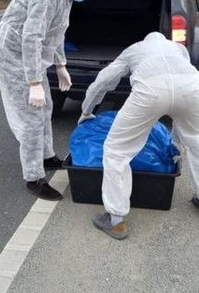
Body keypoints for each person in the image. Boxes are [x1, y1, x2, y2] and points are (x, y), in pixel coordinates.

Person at [0, 0, 103, 201]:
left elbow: (56, 33)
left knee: (47, 105)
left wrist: (61, 65)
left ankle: (46, 156)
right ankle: (33, 177)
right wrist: (33, 82)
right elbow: (32, 36)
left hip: (31, 54)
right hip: (13, 52)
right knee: (32, 113)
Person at [78, 32, 199, 240]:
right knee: (197, 142)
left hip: (149, 92)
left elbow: (104, 79)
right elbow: (178, 84)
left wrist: (87, 110)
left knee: (116, 150)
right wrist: (178, 135)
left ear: (145, 41)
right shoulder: (178, 48)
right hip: (192, 88)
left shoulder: (134, 49)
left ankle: (115, 220)